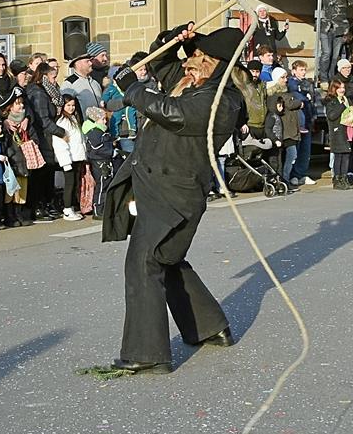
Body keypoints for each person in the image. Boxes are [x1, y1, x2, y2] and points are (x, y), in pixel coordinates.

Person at [102, 25, 245, 374]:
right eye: (193, 56)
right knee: (167, 258)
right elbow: (165, 63)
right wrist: (173, 40)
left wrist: (131, 88)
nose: (188, 64)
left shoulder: (221, 100)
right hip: (159, 187)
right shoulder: (192, 84)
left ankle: (146, 353)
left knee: (144, 263)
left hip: (174, 195)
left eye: (198, 58)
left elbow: (173, 113)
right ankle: (210, 328)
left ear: (217, 65)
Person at [24, 62, 65, 221]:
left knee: (47, 175)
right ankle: (37, 207)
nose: (55, 81)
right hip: (42, 138)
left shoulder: (47, 91)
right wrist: (61, 132)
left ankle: (45, 204)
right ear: (45, 77)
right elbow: (43, 119)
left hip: (47, 138)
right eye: (53, 77)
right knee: (40, 176)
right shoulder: (39, 93)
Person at [311, 0, 353, 84]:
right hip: (325, 27)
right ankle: (323, 79)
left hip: (340, 28)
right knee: (326, 53)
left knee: (335, 56)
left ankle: (331, 78)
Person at [1, 88, 36, 227]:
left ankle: (19, 213)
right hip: (12, 160)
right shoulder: (5, 123)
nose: (21, 106)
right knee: (10, 190)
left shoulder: (26, 121)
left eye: (22, 103)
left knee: (22, 189)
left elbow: (34, 137)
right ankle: (10, 216)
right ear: (10, 106)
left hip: (24, 160)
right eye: (17, 103)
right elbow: (2, 142)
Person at [53, 93, 87, 221]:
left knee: (74, 184)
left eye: (73, 105)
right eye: (68, 105)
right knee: (69, 184)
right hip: (68, 159)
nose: (71, 108)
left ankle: (71, 207)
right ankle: (67, 209)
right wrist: (65, 162)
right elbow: (60, 144)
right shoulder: (62, 121)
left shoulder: (73, 119)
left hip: (77, 157)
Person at [287, 60, 317, 185]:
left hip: (307, 119)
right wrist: (305, 97)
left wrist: (313, 114)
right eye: (301, 70)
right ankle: (293, 175)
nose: (303, 72)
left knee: (306, 149)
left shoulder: (307, 83)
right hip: (298, 120)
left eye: (304, 70)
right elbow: (297, 96)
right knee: (297, 149)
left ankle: (302, 174)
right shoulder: (292, 83)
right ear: (294, 71)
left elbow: (311, 100)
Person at [83, 105, 115, 218]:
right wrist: (111, 150)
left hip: (104, 159)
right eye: (102, 119)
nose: (105, 121)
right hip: (99, 161)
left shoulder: (101, 130)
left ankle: (104, 208)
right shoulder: (94, 131)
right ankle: (98, 209)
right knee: (102, 185)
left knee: (106, 184)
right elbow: (98, 148)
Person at [324, 78, 353, 190]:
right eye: (339, 88)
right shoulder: (331, 101)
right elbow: (331, 116)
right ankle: (337, 179)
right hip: (337, 131)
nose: (342, 90)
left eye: (343, 87)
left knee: (346, 155)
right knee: (338, 155)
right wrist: (342, 106)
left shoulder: (347, 100)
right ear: (334, 89)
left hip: (347, 129)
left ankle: (344, 177)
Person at [62, 45, 104, 114]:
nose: (91, 63)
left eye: (91, 61)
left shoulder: (95, 82)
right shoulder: (69, 84)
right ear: (78, 64)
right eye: (87, 61)